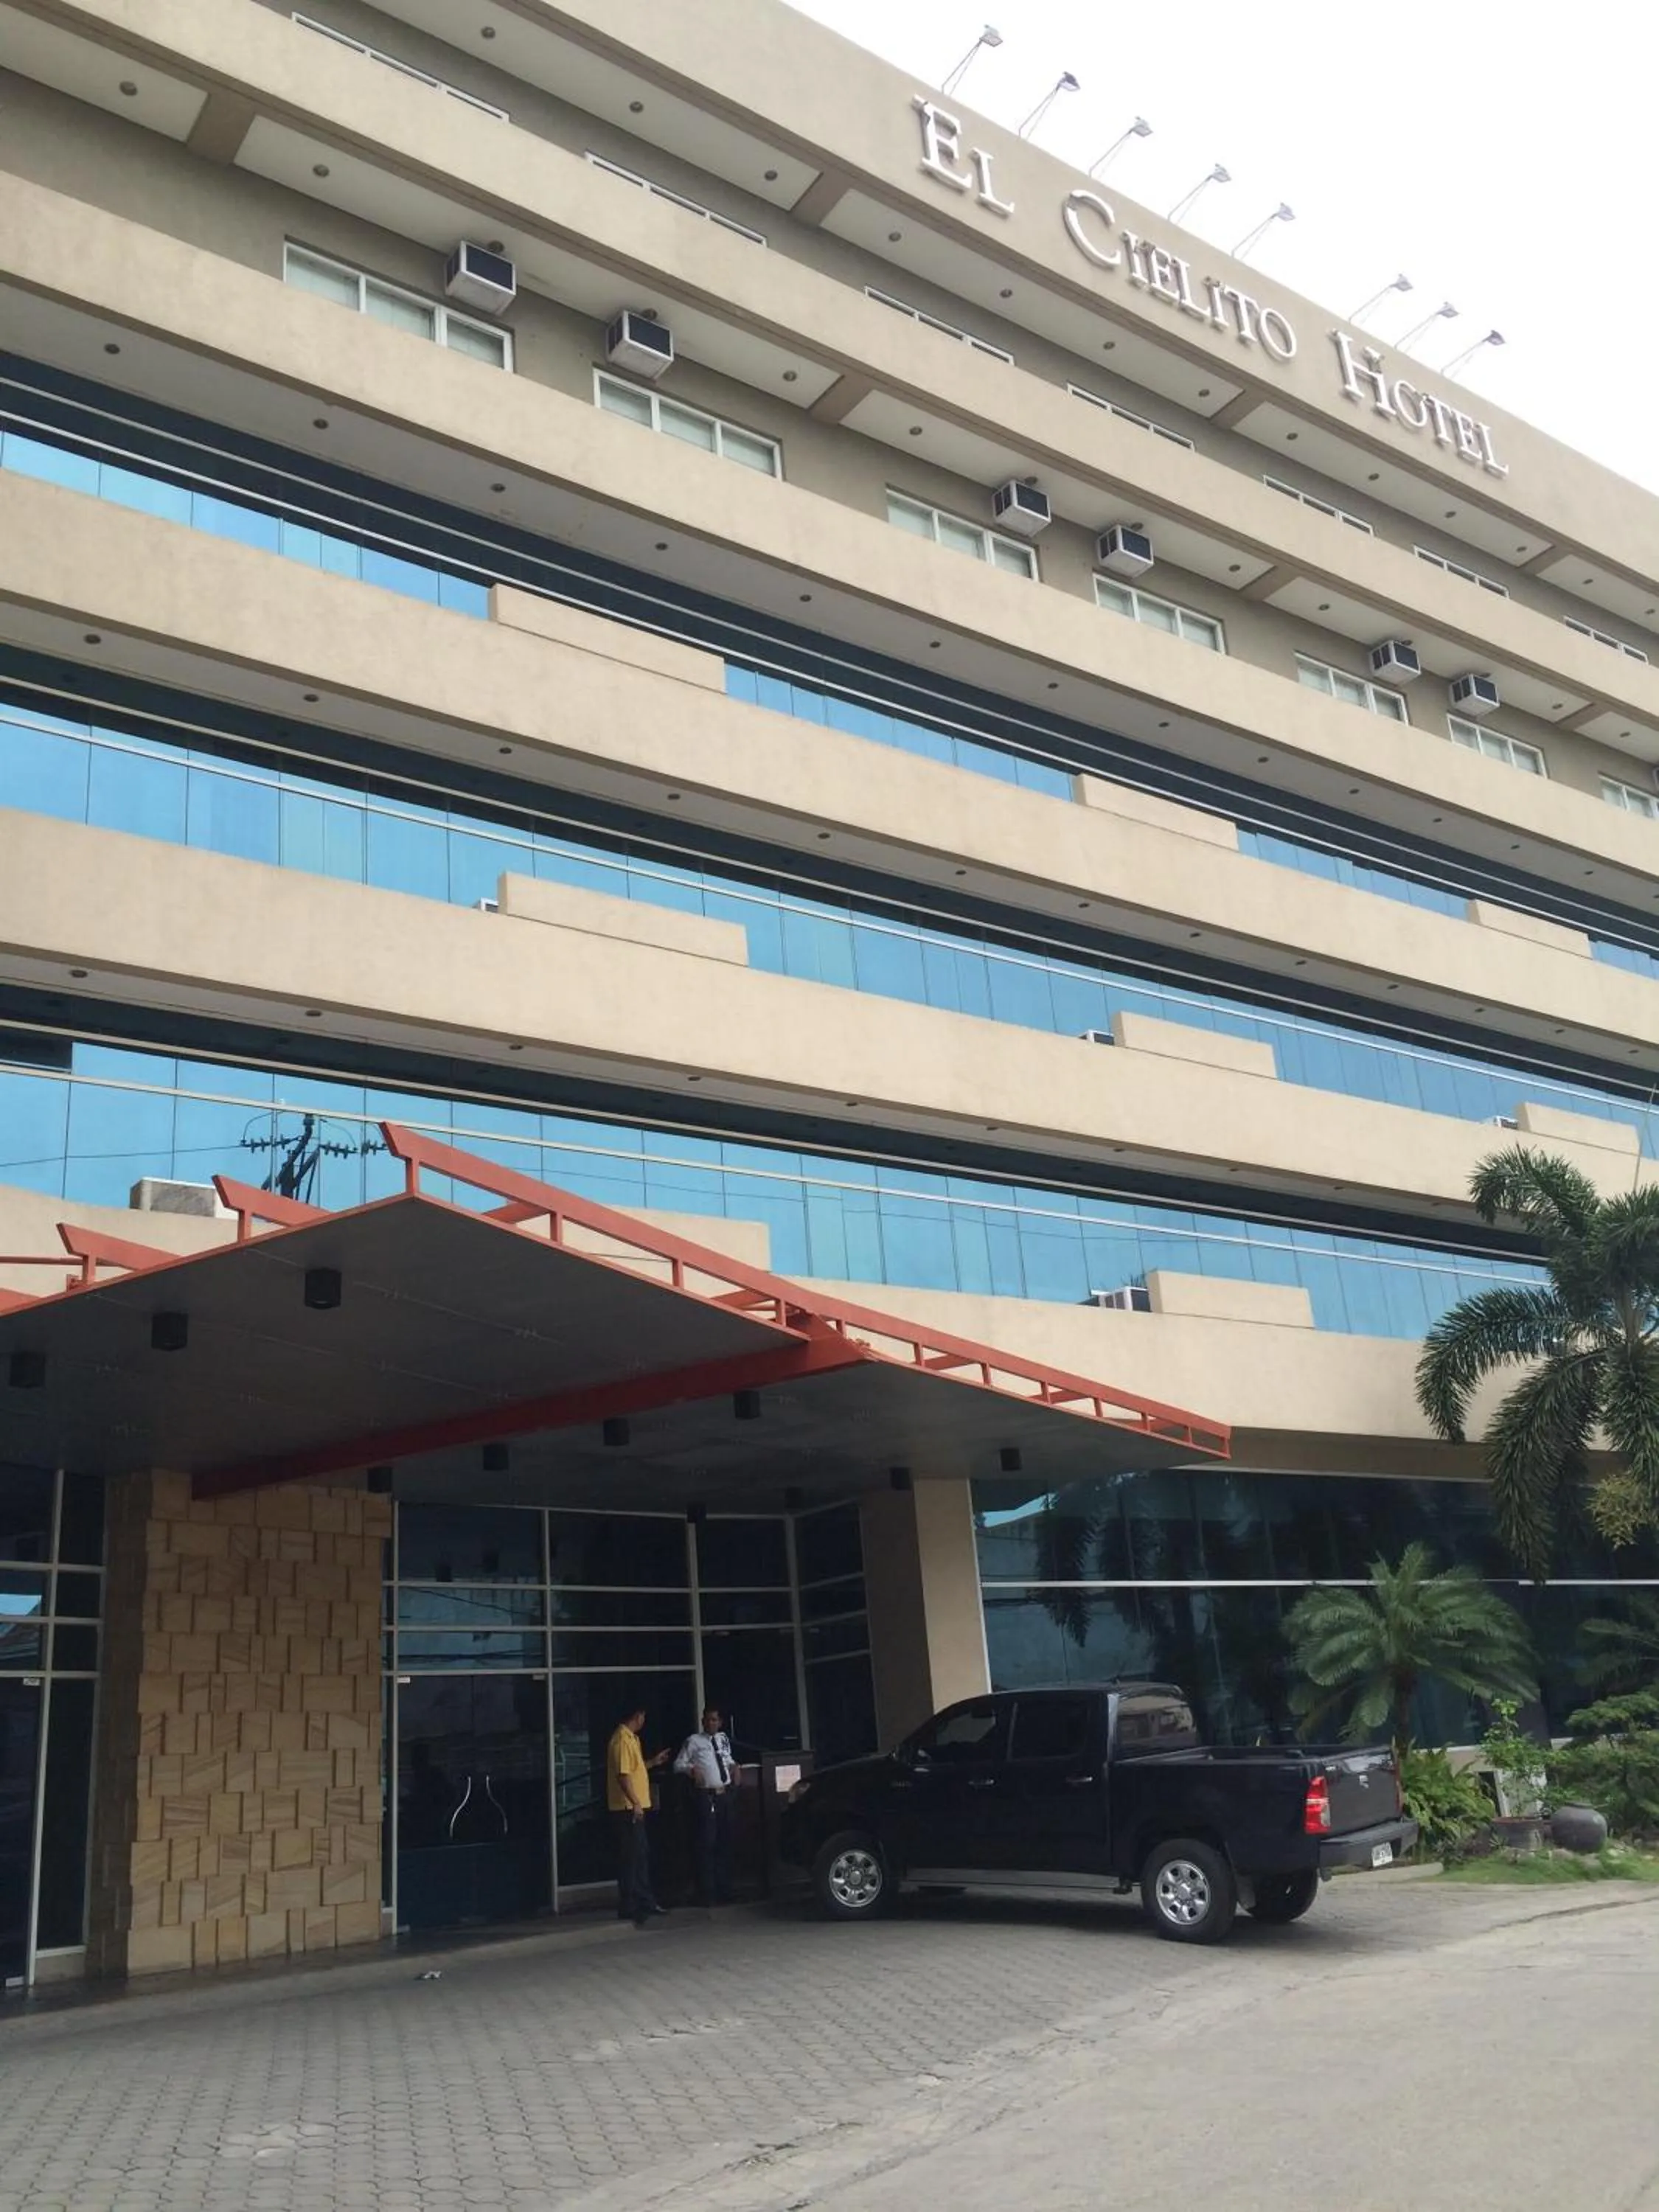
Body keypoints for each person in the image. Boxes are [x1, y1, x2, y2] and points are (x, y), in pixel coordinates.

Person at [606, 1705, 670, 1927]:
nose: (644, 1720)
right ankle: (631, 1904)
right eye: (643, 1716)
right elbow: (623, 1776)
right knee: (632, 1857)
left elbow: (633, 1769)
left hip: (634, 1807)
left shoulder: (631, 1739)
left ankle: (643, 1900)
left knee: (640, 1854)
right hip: (627, 1809)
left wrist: (652, 1763)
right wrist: (635, 1802)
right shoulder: (622, 1740)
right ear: (638, 1716)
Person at [673, 1705, 739, 1906]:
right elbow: (678, 1764)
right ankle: (707, 1892)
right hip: (706, 1797)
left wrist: (736, 1767)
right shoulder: (694, 1741)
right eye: (708, 1720)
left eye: (715, 1720)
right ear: (703, 1722)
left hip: (724, 1795)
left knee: (725, 1842)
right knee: (707, 1844)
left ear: (720, 1722)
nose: (712, 1723)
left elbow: (727, 1759)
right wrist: (692, 1770)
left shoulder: (723, 1739)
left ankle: (725, 1889)